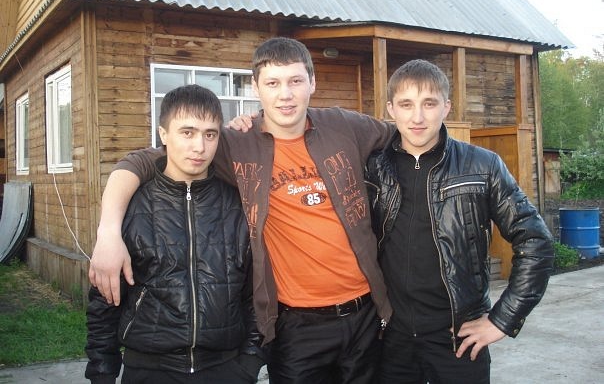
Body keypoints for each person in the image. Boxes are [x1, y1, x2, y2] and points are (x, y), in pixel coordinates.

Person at [88, 37, 395, 383]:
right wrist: (108, 232)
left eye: (295, 81)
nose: (286, 94)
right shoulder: (234, 143)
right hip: (295, 324)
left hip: (366, 314)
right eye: (273, 83)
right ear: (255, 87)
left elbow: (407, 135)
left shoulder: (345, 126)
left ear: (312, 82)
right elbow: (141, 162)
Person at [365, 59, 555, 384]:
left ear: (446, 107)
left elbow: (536, 241)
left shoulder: (482, 165)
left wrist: (502, 320)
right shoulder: (373, 169)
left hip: (459, 339)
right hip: (391, 339)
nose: (418, 117)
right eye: (406, 104)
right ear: (391, 109)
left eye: (429, 103)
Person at [85, 85, 264, 384]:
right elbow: (105, 301)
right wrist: (102, 373)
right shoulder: (131, 206)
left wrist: (250, 361)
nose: (199, 147)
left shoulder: (240, 205)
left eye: (210, 134)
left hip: (226, 368)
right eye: (187, 132)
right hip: (149, 370)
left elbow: (257, 292)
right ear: (164, 134)